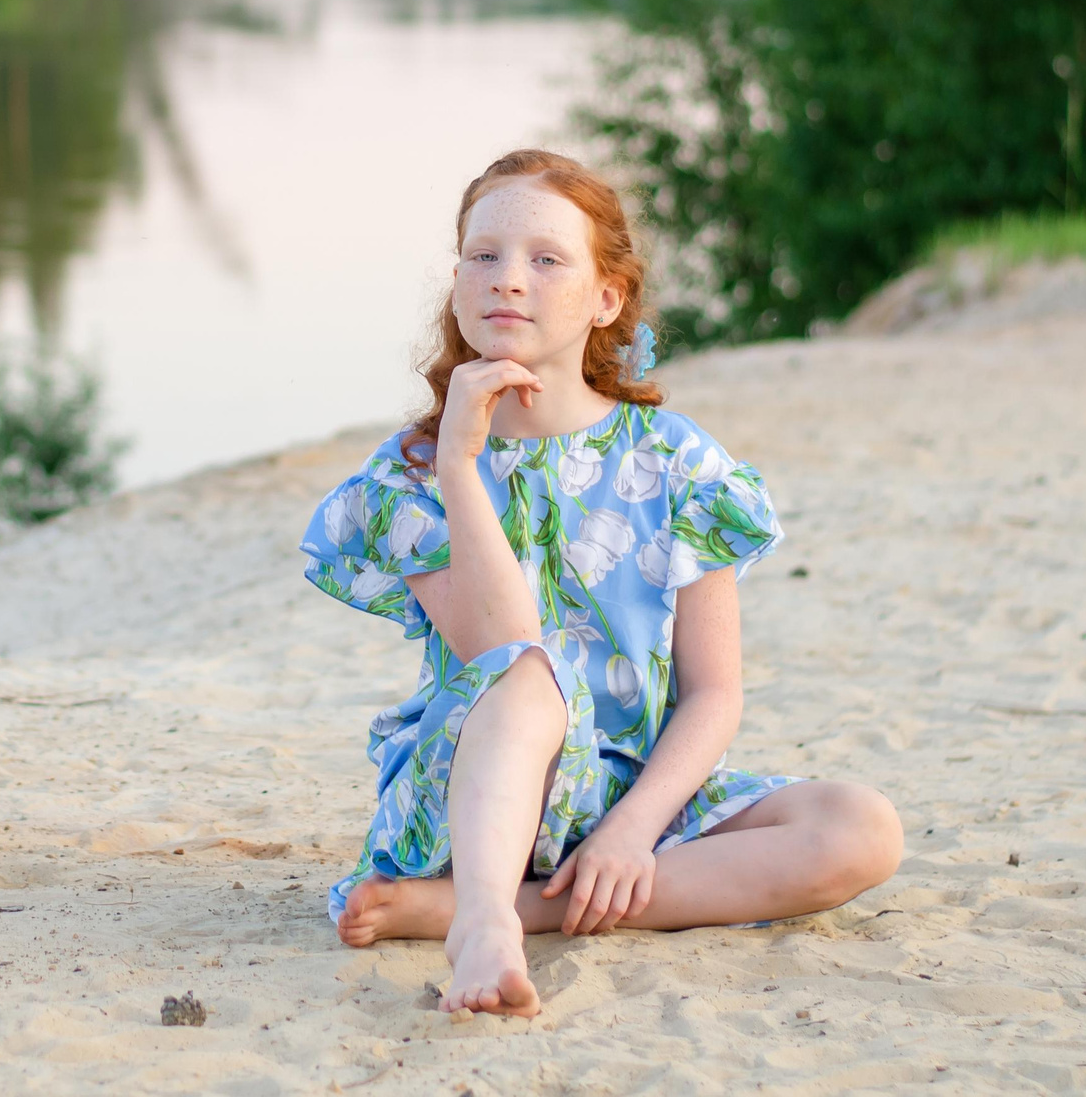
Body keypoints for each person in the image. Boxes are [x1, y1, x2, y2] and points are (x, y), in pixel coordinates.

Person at [300, 149, 903, 1017]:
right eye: (483, 255)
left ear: (606, 299)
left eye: (547, 259)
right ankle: (483, 921)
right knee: (530, 676)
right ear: (458, 283)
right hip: (483, 797)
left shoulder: (676, 460)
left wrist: (631, 828)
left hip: (638, 794)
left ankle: (507, 911)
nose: (509, 278)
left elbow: (714, 693)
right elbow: (503, 651)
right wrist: (462, 465)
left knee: (860, 829)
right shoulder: (412, 474)